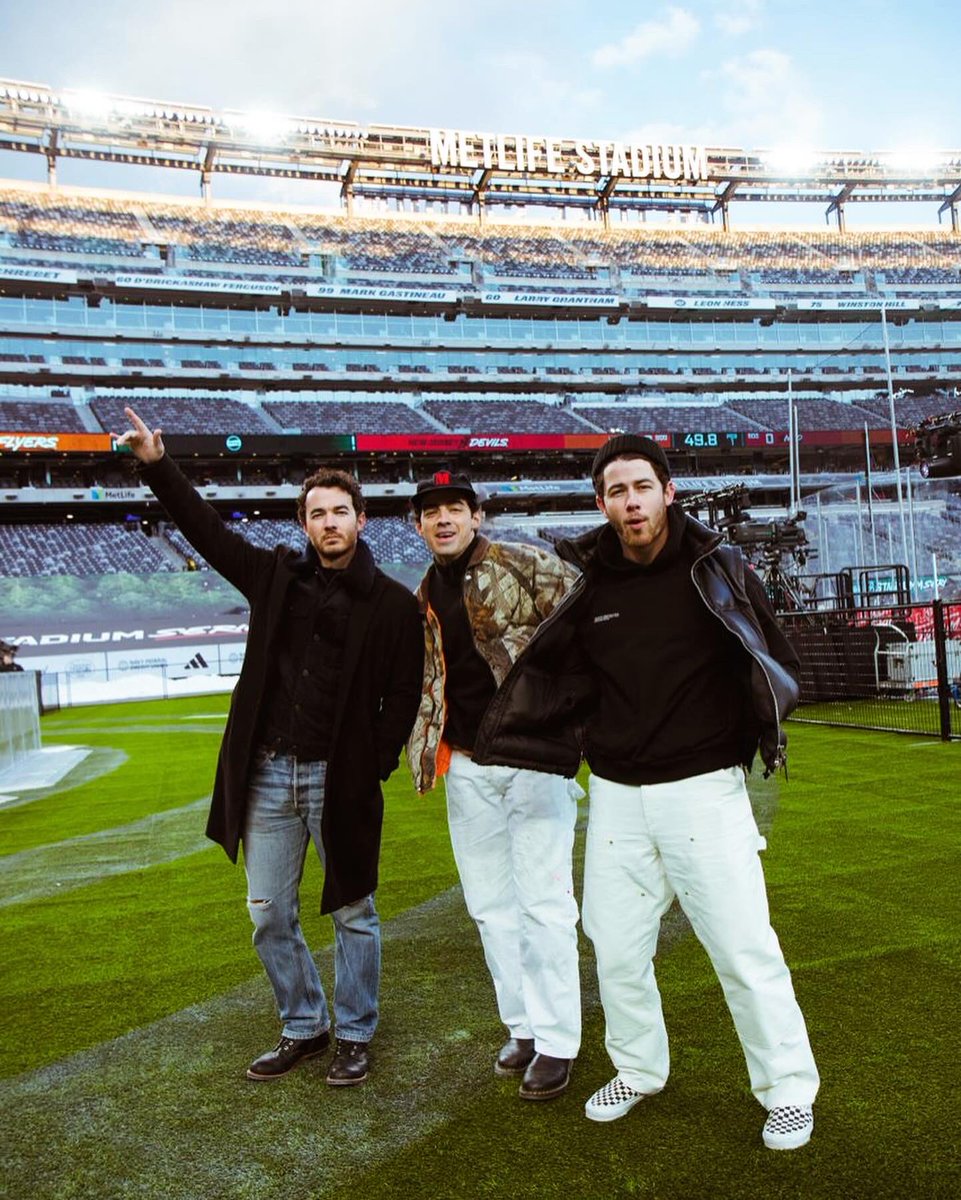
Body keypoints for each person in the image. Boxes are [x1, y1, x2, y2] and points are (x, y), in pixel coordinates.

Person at [474, 434, 819, 1149]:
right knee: (616, 948)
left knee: (742, 949)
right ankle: (637, 1067)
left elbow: (776, 662)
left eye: (640, 487)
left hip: (702, 792)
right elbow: (555, 673)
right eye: (614, 492)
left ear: (667, 491)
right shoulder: (582, 578)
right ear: (600, 504)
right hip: (615, 797)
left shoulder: (715, 566)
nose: (629, 503)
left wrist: (745, 734)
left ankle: (787, 1088)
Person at [114, 407, 423, 1087]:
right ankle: (304, 1024)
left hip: (337, 777)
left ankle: (354, 1031)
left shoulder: (395, 607)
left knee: (353, 911)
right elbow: (207, 532)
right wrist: (158, 465)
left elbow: (403, 694)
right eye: (318, 513)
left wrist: (373, 760)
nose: (330, 523)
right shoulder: (274, 578)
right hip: (265, 778)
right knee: (267, 915)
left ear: (361, 520)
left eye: (341, 511)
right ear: (304, 523)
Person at [407, 470, 582, 1101]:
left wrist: (565, 710)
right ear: (419, 525)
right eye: (432, 512)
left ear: (476, 516)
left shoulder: (525, 563)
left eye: (455, 508)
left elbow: (584, 623)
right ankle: (525, 1028)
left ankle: (560, 1040)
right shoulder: (423, 591)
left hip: (533, 760)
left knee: (544, 905)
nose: (444, 519)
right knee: (491, 908)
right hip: (467, 766)